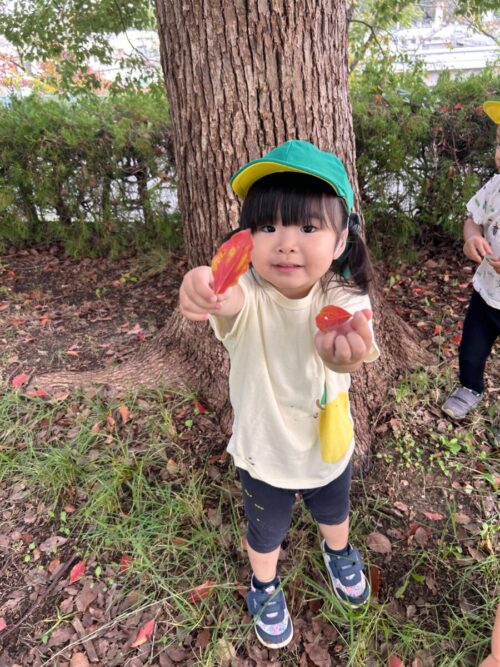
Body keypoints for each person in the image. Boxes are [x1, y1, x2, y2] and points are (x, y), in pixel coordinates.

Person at [179, 139, 379, 649]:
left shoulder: (344, 296)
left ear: (340, 240)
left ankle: (339, 552)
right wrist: (201, 284)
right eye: (267, 227)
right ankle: (264, 584)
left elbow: (353, 348)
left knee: (335, 512)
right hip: (263, 452)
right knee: (264, 533)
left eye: (308, 228)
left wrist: (343, 355)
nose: (286, 244)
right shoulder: (247, 295)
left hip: (327, 445)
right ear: (246, 239)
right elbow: (223, 296)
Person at [442, 99, 500, 419]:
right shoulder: (494, 187)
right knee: (471, 350)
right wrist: (471, 238)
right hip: (486, 292)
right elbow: (472, 219)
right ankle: (470, 388)